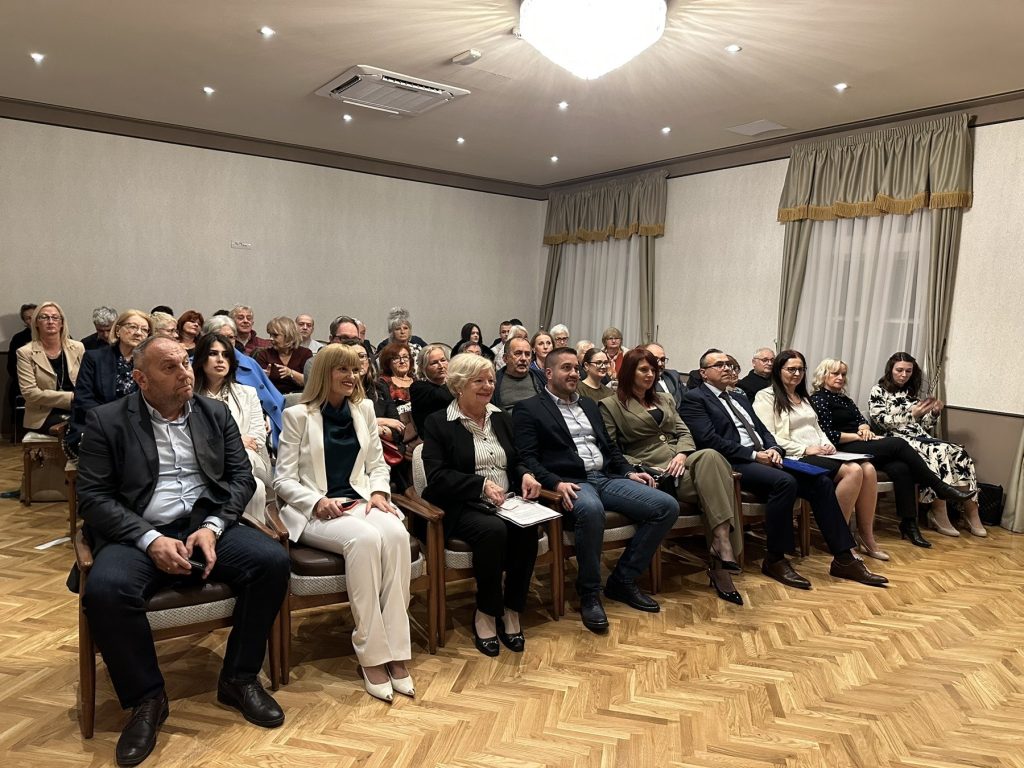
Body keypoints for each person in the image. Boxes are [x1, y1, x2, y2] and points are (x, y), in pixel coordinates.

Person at [74, 336, 289, 766]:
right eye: (170, 368)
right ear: (141, 379)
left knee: (272, 561)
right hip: (139, 531)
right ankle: (147, 699)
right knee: (105, 590)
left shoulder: (214, 413)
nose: (185, 373)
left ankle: (238, 677)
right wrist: (150, 539)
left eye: (185, 364)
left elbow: (241, 478)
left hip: (203, 525)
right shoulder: (107, 420)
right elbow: (93, 499)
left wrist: (213, 526)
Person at [273, 343, 413, 703]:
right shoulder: (297, 415)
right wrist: (315, 501)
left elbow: (377, 464)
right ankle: (371, 655)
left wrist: (380, 492)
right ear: (325, 373)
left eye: (355, 369)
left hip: (360, 501)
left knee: (397, 533)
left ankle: (397, 651)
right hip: (317, 510)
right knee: (364, 540)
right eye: (343, 370)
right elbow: (282, 480)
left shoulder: (363, 409)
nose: (352, 376)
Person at [679, 350, 888, 590]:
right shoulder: (695, 398)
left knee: (820, 481)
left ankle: (843, 558)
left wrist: (775, 448)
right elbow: (708, 440)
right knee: (785, 482)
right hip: (733, 462)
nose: (727, 368)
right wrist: (754, 455)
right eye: (719, 365)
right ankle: (775, 559)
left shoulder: (738, 397)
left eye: (728, 364)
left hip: (765, 456)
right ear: (704, 373)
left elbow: (763, 431)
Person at [513, 347, 679, 633]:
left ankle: (622, 580)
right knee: (591, 510)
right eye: (566, 368)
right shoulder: (529, 408)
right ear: (548, 373)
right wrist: (555, 482)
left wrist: (628, 471)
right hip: (571, 481)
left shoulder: (590, 405)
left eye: (576, 368)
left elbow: (609, 447)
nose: (573, 373)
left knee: (666, 506)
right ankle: (590, 592)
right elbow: (527, 458)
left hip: (605, 477)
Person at [421, 354, 543, 656]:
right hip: (461, 504)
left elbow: (515, 460)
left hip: (506, 502)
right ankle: (487, 611)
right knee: (492, 531)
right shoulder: (438, 422)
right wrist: (480, 485)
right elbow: (437, 476)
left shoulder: (501, 418)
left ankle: (512, 609)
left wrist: (525, 474)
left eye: (490, 380)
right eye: (479, 381)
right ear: (459, 385)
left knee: (527, 530)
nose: (488, 386)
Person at [600, 349, 743, 604]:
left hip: (682, 463)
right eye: (644, 369)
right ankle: (722, 560)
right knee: (719, 484)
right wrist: (640, 468)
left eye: (653, 370)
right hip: (654, 471)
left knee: (711, 456)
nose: (650, 374)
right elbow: (612, 451)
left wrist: (681, 455)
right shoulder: (610, 405)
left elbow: (684, 432)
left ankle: (721, 540)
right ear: (629, 372)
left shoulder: (665, 399)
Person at [810, 358, 974, 547]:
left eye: (843, 374)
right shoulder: (818, 399)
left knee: (901, 468)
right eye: (835, 373)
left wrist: (864, 428)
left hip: (860, 442)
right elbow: (828, 435)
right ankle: (938, 486)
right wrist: (858, 435)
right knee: (898, 443)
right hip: (841, 447)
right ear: (823, 375)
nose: (840, 377)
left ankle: (909, 524)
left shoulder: (844, 399)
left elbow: (861, 420)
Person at [753, 350, 888, 560]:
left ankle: (866, 536)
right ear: (779, 371)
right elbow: (768, 437)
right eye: (791, 369)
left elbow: (818, 429)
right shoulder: (765, 397)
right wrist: (805, 449)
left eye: (800, 369)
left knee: (868, 469)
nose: (797, 373)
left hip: (819, 452)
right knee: (853, 471)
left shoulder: (802, 397)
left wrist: (827, 444)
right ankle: (841, 539)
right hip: (794, 455)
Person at [868, 352, 985, 537]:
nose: (904, 375)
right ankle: (938, 511)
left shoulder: (912, 393)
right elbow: (880, 421)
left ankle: (971, 512)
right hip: (895, 439)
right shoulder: (878, 391)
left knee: (959, 452)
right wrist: (911, 414)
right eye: (899, 370)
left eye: (908, 371)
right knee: (938, 451)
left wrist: (934, 413)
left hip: (920, 437)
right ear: (890, 370)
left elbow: (923, 425)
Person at [193, 333, 272, 522]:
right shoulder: (190, 395)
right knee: (256, 487)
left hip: (250, 460)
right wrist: (235, 441)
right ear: (202, 358)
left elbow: (258, 438)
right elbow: (191, 438)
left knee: (248, 458)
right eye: (213, 354)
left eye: (226, 355)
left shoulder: (248, 393)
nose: (220, 360)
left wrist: (222, 443)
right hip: (204, 463)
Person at [67, 309, 153, 458]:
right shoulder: (94, 358)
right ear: (118, 330)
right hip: (98, 424)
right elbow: (83, 398)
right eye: (133, 327)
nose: (138, 333)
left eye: (144, 330)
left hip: (138, 425)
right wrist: (113, 421)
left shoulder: (149, 363)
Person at [201, 316, 284, 449]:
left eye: (231, 337)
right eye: (221, 337)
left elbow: (273, 400)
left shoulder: (249, 363)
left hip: (253, 435)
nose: (226, 342)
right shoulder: (191, 368)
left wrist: (267, 418)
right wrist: (235, 442)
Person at [16, 302, 85, 435]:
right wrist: (71, 397)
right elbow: (30, 393)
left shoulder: (78, 347)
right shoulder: (25, 352)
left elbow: (87, 382)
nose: (50, 321)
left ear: (62, 323)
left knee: (100, 422)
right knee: (77, 427)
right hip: (43, 414)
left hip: (78, 406)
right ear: (36, 323)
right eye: (44, 317)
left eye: (55, 317)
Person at [254, 316, 312, 395]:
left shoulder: (305, 353)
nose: (271, 338)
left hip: (299, 397)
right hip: (273, 397)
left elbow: (310, 382)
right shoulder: (264, 354)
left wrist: (291, 373)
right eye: (270, 335)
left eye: (275, 335)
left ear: (288, 336)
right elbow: (256, 384)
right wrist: (264, 377)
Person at [5, 302, 36, 433]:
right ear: (24, 321)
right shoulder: (18, 339)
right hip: (25, 381)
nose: (32, 320)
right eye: (28, 318)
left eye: (34, 316)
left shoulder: (55, 334)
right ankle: (19, 434)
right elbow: (11, 367)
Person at [493, 336, 545, 413]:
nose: (523, 358)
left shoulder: (541, 378)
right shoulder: (493, 382)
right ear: (505, 358)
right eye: (518, 353)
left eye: (527, 354)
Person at [409, 344, 452, 436]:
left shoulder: (453, 385)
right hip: (433, 437)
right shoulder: (418, 387)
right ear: (423, 367)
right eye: (434, 363)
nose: (441, 366)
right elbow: (444, 397)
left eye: (443, 360)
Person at [645, 343, 686, 412]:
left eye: (663, 359)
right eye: (655, 359)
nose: (660, 364)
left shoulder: (673, 375)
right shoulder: (643, 381)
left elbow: (687, 398)